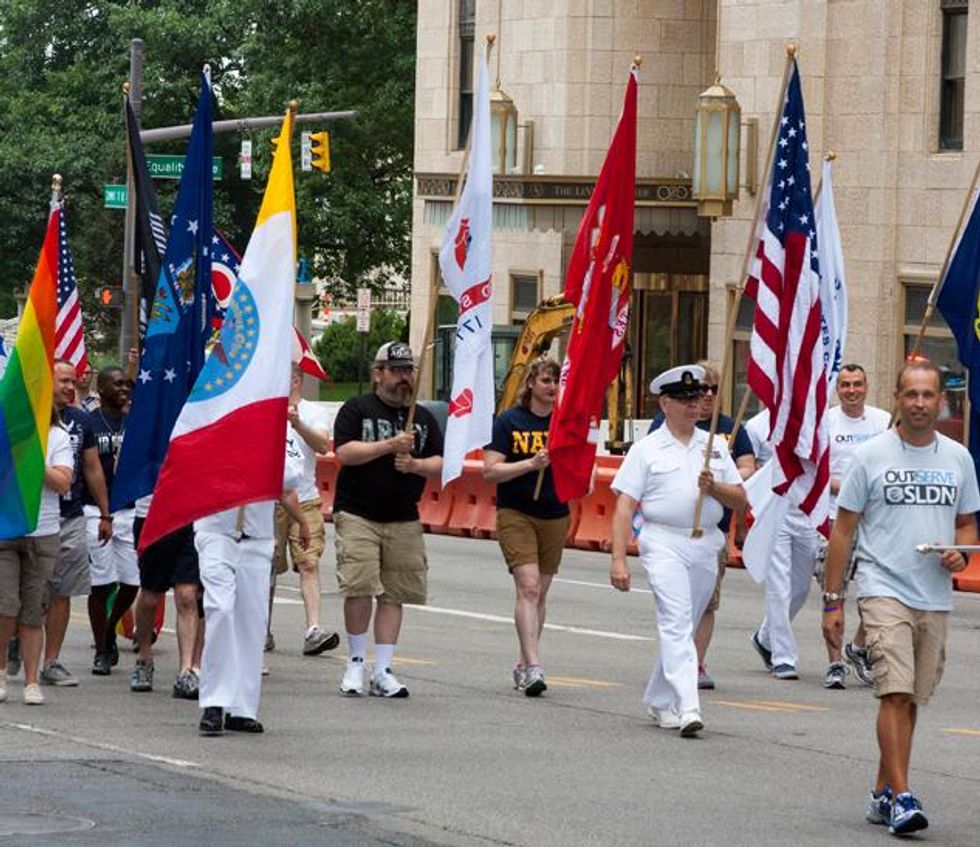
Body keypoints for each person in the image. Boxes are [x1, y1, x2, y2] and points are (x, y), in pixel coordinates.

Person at [822, 360, 979, 835]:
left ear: (941, 401)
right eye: (911, 394)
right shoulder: (870, 456)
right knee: (893, 690)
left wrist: (960, 554)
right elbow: (843, 530)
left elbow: (967, 525)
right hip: (882, 587)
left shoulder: (958, 458)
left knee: (910, 699)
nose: (920, 404)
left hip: (933, 595)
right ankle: (904, 798)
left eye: (928, 395)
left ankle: (882, 791)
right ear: (896, 398)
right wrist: (833, 601)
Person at [610, 365, 746, 737]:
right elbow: (624, 506)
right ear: (665, 404)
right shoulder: (647, 449)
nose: (694, 405)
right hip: (663, 541)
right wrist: (619, 559)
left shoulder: (715, 446)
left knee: (684, 625)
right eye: (684, 399)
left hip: (706, 542)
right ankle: (688, 707)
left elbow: (740, 498)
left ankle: (659, 698)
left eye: (697, 398)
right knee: (675, 620)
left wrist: (714, 487)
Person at [332, 341, 443, 699]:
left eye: (408, 370)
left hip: (403, 516)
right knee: (359, 586)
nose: (404, 378)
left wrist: (414, 464)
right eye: (396, 371)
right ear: (378, 374)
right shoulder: (357, 408)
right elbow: (344, 451)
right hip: (358, 512)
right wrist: (388, 446)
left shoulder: (423, 418)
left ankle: (383, 669)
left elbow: (441, 462)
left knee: (395, 593)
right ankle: (354, 663)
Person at [647, 360, 754, 690]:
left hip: (712, 532)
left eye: (712, 389)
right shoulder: (663, 426)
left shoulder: (729, 429)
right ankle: (675, 664)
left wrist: (718, 478)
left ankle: (696, 663)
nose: (706, 396)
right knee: (678, 605)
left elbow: (747, 469)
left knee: (707, 602)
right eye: (699, 390)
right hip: (672, 533)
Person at [483, 358, 569, 696]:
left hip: (555, 512)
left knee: (540, 592)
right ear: (531, 383)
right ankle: (535, 666)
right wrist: (530, 464)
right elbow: (490, 470)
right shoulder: (509, 421)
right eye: (546, 380)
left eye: (556, 381)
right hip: (516, 512)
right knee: (529, 587)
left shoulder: (564, 423)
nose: (552, 387)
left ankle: (522, 661)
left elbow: (579, 460)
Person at [197, 485, 310, 736]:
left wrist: (302, 522)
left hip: (257, 539)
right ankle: (214, 702)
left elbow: (285, 488)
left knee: (251, 624)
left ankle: (242, 709)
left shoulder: (271, 456)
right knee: (220, 610)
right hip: (216, 533)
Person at [40, 360, 112, 688]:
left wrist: (106, 513)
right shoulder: (28, 417)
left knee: (62, 590)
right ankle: (16, 639)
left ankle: (51, 661)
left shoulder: (81, 420)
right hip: (32, 517)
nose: (71, 387)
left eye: (73, 381)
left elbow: (92, 467)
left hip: (71, 516)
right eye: (64, 381)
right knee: (29, 589)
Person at [821, 363, 891, 689]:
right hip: (836, 518)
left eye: (857, 384)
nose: (851, 390)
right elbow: (818, 473)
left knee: (877, 591)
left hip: (875, 519)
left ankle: (858, 647)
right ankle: (835, 663)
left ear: (866, 386)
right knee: (834, 593)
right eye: (845, 385)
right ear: (838, 389)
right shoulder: (826, 422)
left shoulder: (883, 421)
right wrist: (850, 489)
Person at [0, 411, 73, 705]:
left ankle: (32, 682)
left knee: (34, 611)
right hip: (6, 531)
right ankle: (1, 673)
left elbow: (63, 482)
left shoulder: (58, 436)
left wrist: (33, 459)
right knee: (5, 607)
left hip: (43, 533)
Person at [744, 406, 821, 680]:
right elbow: (749, 468)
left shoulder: (817, 419)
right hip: (775, 509)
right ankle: (783, 657)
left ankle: (765, 637)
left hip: (805, 512)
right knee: (779, 586)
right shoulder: (757, 425)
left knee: (800, 588)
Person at [269, 365, 339, 656]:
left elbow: (323, 445)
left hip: (305, 498)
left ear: (296, 381)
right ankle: (260, 628)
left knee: (309, 563)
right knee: (266, 567)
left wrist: (297, 424)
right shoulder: (265, 409)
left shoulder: (314, 412)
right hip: (270, 500)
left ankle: (313, 629)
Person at [85, 366, 139, 675]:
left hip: (129, 509)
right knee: (101, 584)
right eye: (117, 385)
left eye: (127, 385)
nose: (124, 389)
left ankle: (109, 629)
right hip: (96, 511)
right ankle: (102, 649)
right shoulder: (90, 422)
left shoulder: (135, 422)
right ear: (102, 388)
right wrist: (103, 512)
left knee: (132, 581)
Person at [129, 499, 204, 698]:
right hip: (153, 515)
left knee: (187, 595)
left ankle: (186, 671)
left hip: (191, 516)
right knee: (150, 597)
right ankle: (144, 658)